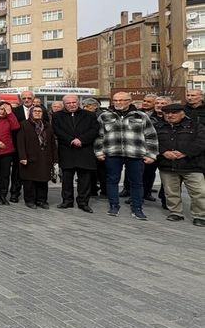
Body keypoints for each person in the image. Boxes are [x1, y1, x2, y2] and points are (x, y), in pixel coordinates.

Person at [94, 92, 158, 220]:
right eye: (116, 100)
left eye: (122, 100)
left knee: (137, 182)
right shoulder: (105, 116)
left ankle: (137, 208)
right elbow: (99, 136)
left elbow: (151, 136)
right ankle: (113, 206)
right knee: (112, 180)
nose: (118, 102)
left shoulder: (141, 116)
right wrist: (99, 151)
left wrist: (151, 154)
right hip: (112, 152)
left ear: (130, 101)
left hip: (135, 153)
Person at [155, 103, 205, 227]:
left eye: (174, 113)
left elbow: (201, 142)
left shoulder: (195, 125)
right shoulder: (158, 126)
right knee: (171, 192)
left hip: (192, 164)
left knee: (199, 192)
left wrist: (185, 152)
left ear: (182, 113)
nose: (170, 115)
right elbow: (152, 141)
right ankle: (176, 212)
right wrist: (163, 152)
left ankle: (200, 215)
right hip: (167, 164)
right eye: (167, 113)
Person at [53, 94, 100, 213]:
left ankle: (83, 202)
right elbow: (57, 130)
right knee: (67, 179)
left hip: (84, 150)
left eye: (74, 102)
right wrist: (71, 140)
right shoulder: (57, 116)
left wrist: (81, 140)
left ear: (78, 102)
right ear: (64, 104)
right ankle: (67, 201)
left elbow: (94, 130)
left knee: (84, 179)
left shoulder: (89, 115)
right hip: (67, 150)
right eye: (68, 103)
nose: (71, 105)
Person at [17, 107, 57, 209]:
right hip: (29, 157)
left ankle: (41, 200)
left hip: (44, 157)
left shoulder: (47, 126)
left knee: (43, 180)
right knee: (29, 181)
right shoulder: (24, 124)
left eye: (40, 111)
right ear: (31, 113)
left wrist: (55, 159)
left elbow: (53, 143)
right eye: (35, 111)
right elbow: (20, 142)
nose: (37, 113)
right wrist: (22, 156)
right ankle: (30, 200)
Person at [0, 102, 20, 205]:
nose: (3, 111)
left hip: (7, 150)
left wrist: (10, 113)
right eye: (1, 109)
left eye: (5, 109)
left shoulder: (9, 118)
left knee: (5, 175)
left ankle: (3, 195)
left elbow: (16, 126)